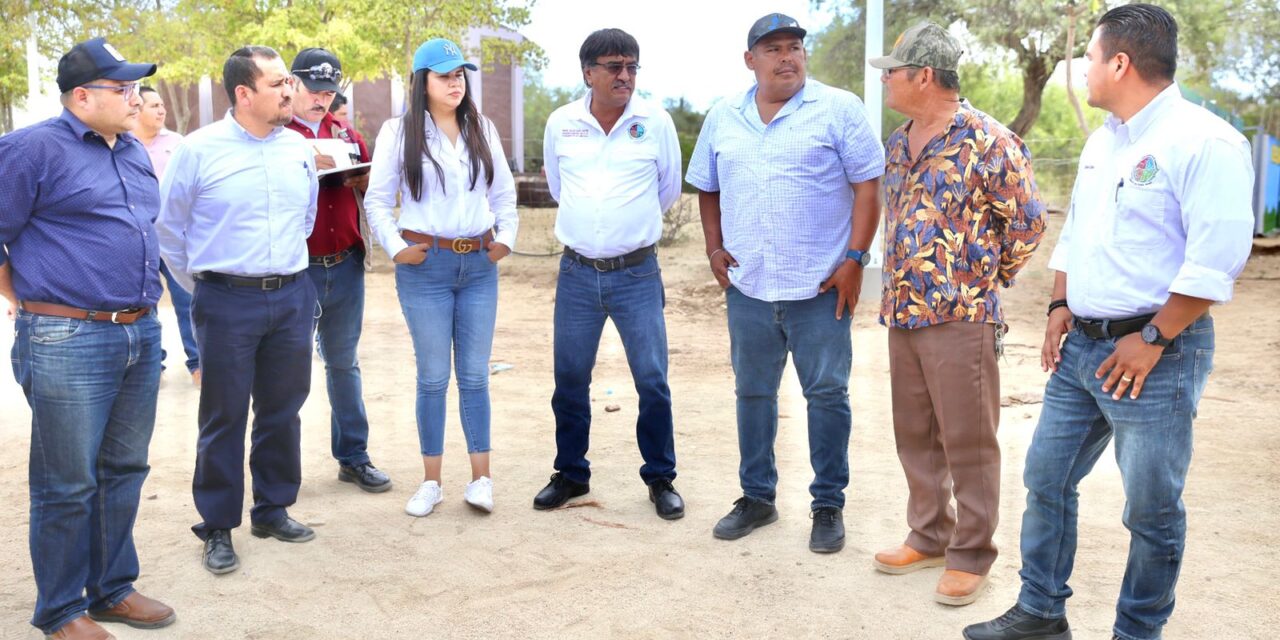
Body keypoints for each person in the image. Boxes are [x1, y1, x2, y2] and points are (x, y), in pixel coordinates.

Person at [964, 5, 1254, 640]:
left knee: (1149, 509)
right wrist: (1059, 306)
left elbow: (1215, 262)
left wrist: (1152, 339)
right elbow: (1077, 235)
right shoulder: (1105, 139)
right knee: (1046, 478)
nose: (1083, 70)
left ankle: (1137, 631)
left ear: (1120, 63)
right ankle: (1041, 611)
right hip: (1081, 352)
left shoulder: (1205, 142)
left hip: (1155, 356)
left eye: (1089, 58)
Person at [686, 13, 884, 553]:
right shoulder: (724, 116)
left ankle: (827, 506)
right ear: (750, 60)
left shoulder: (839, 108)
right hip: (749, 288)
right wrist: (713, 246)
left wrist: (856, 259)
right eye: (772, 49)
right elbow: (707, 186)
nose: (787, 57)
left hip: (820, 288)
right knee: (753, 394)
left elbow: (868, 186)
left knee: (826, 396)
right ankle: (757, 498)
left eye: (795, 46)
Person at [0, 37, 176, 639]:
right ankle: (59, 610)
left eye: (135, 87)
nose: (135, 98)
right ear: (81, 96)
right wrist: (22, 297)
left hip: (138, 331)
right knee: (67, 482)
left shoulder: (130, 149)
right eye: (122, 88)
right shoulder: (30, 150)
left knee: (124, 467)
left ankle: (111, 589)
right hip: (66, 338)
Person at [869, 22, 1047, 606]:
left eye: (892, 71)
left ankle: (971, 554)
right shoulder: (898, 143)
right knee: (914, 435)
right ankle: (929, 534)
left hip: (960, 316)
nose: (886, 81)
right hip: (903, 313)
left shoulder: (990, 141)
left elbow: (1027, 224)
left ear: (923, 75)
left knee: (967, 441)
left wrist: (980, 280)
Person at [156, 45, 320, 575]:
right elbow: (168, 230)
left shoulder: (298, 147)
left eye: (288, 83)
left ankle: (272, 509)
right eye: (277, 84)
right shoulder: (198, 150)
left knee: (282, 409)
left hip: (293, 296)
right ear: (244, 93)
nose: (289, 91)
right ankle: (218, 526)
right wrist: (210, 285)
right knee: (223, 415)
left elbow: (307, 218)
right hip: (226, 300)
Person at [532, 28, 686, 519]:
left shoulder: (654, 121)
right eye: (614, 66)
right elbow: (559, 188)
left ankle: (661, 478)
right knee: (570, 379)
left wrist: (627, 231)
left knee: (652, 379)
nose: (625, 76)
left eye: (632, 66)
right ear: (588, 73)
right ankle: (572, 474)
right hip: (577, 273)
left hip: (638, 274)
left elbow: (668, 190)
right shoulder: (562, 123)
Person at [364, 38, 517, 516]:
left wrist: (505, 240)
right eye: (445, 75)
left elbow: (505, 195)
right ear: (421, 82)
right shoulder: (398, 132)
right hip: (424, 267)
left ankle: (481, 480)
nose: (456, 83)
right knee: (432, 378)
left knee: (474, 376)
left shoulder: (482, 127)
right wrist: (397, 249)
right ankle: (431, 482)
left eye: (460, 75)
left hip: (477, 267)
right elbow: (376, 201)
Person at [284, 48, 391, 494]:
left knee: (344, 363)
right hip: (295, 267)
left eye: (330, 91)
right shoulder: (275, 136)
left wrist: (364, 180)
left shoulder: (346, 134)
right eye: (314, 89)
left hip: (344, 261)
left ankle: (354, 457)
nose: (322, 99)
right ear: (291, 84)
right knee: (286, 370)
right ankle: (279, 472)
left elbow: (372, 194)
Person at [134, 85, 201, 387]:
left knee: (187, 299)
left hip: (175, 236)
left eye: (162, 105)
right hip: (137, 239)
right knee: (143, 302)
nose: (161, 110)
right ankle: (152, 364)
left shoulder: (178, 143)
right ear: (137, 109)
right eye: (153, 106)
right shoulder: (123, 144)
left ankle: (198, 363)